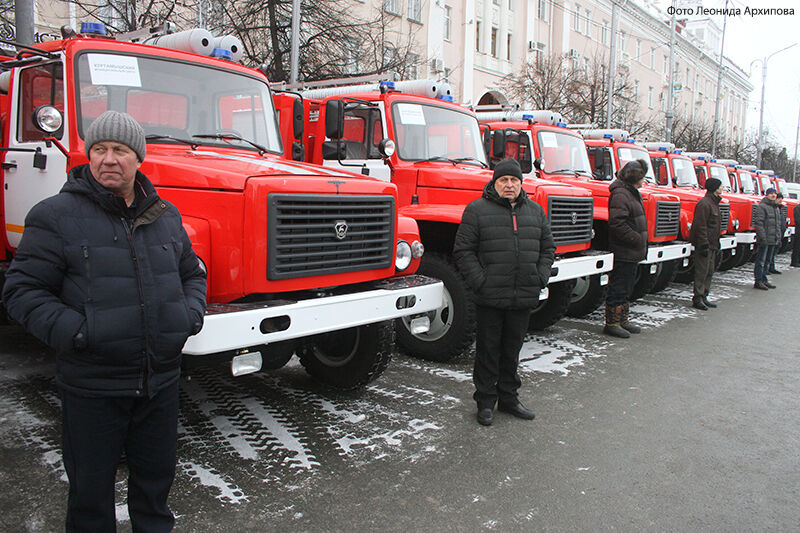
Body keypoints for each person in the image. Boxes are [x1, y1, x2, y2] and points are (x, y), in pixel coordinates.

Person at [2, 110, 207, 532]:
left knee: (155, 490)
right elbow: (22, 291)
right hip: (93, 387)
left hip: (160, 384)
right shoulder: (56, 216)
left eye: (120, 150)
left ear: (139, 159)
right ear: (89, 156)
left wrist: (187, 317)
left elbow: (193, 273)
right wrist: (81, 333)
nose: (108, 159)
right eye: (99, 149)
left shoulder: (165, 215)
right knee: (90, 496)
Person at [454, 158, 555, 426]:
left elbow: (548, 248)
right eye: (503, 180)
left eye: (514, 180)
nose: (509, 185)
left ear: (521, 183)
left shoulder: (535, 211)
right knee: (488, 351)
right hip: (491, 295)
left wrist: (540, 276)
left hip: (523, 294)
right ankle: (485, 401)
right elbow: (463, 251)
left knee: (512, 350)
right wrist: (481, 281)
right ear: (494, 183)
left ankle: (509, 398)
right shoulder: (477, 210)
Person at [604, 160, 649, 338]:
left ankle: (622, 320)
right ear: (635, 177)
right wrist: (637, 239)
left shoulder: (630, 193)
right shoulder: (621, 194)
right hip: (624, 250)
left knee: (627, 287)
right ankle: (612, 323)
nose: (644, 181)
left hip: (631, 251)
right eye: (642, 177)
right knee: (619, 287)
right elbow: (617, 224)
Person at [689, 177, 722, 310]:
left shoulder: (714, 203)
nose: (722, 188)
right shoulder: (704, 204)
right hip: (705, 244)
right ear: (714, 188)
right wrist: (703, 244)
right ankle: (697, 298)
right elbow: (700, 225)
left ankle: (704, 296)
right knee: (701, 272)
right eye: (720, 186)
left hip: (712, 243)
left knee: (709, 271)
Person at [752, 187, 781, 290]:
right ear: (767, 195)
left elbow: (777, 225)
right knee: (761, 261)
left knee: (768, 261)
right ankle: (758, 281)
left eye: (775, 193)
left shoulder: (776, 208)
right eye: (771, 193)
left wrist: (778, 237)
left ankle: (764, 280)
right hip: (764, 239)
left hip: (773, 239)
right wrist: (762, 237)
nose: (773, 195)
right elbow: (759, 223)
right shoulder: (762, 207)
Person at [769, 192, 786, 274]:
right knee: (770, 253)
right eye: (779, 198)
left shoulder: (780, 209)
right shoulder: (773, 209)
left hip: (779, 234)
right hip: (773, 235)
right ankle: (768, 268)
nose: (780, 200)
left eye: (781, 199)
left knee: (774, 252)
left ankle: (772, 267)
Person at [791, 201, 800, 267]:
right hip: (799, 231)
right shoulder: (797, 208)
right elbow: (797, 220)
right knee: (797, 247)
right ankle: (795, 261)